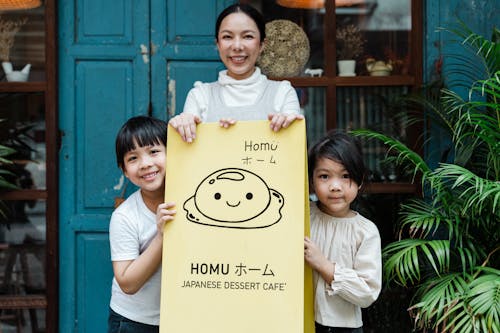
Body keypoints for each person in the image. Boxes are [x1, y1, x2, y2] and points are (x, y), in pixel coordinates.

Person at [169, 3, 304, 142]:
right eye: (227, 37)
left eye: (248, 36)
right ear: (218, 44)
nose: (237, 46)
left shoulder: (283, 93)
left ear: (262, 44)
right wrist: (183, 126)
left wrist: (290, 126)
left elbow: (292, 147)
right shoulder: (200, 96)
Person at [304, 131, 382, 333]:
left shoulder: (365, 232)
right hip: (299, 322)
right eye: (324, 176)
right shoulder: (303, 215)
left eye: (345, 176)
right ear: (311, 181)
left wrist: (323, 265)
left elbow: (367, 292)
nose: (335, 186)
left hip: (344, 328)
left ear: (360, 180)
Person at [108, 116, 176, 333]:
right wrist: (162, 236)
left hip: (184, 317)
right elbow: (127, 283)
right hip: (134, 322)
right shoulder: (125, 216)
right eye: (133, 158)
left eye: (154, 151)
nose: (146, 164)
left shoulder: (196, 199)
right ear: (125, 170)